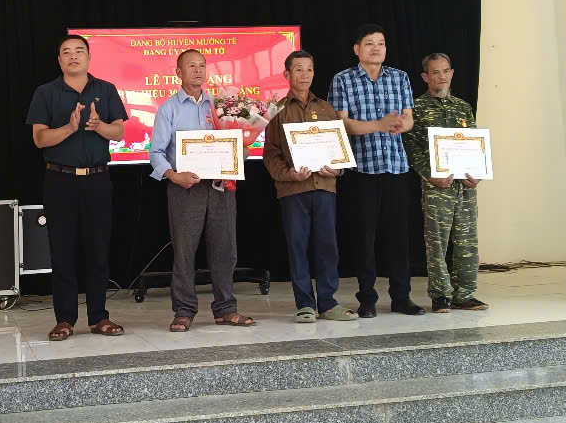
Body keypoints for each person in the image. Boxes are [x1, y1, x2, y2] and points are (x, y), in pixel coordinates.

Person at [26, 35, 128, 341]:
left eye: (79, 51)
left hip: (97, 180)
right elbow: (40, 139)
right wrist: (70, 128)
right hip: (60, 180)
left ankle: (99, 317)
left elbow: (119, 132)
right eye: (66, 52)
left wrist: (99, 126)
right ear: (59, 59)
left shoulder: (106, 89)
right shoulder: (45, 92)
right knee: (62, 250)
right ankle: (65, 319)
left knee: (98, 249)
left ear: (89, 57)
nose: (73, 56)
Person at [149, 49, 255, 332]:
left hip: (221, 187)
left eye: (202, 66)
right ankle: (184, 311)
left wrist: (240, 150)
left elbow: (235, 144)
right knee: (185, 251)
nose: (198, 71)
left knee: (225, 248)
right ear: (178, 73)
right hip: (185, 188)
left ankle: (225, 308)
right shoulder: (168, 108)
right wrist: (174, 175)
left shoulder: (222, 107)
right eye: (191, 66)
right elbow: (156, 153)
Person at [329, 24, 425, 318]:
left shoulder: (400, 77)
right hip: (362, 170)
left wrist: (401, 125)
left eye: (381, 43)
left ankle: (401, 297)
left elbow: (409, 118)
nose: (376, 48)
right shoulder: (343, 80)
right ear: (357, 49)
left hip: (396, 166)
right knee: (364, 237)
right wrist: (378, 125)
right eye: (369, 43)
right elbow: (342, 123)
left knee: (399, 237)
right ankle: (367, 299)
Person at [263, 50, 356, 323]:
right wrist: (288, 174)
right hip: (293, 190)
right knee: (298, 247)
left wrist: (338, 168)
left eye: (309, 69)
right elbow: (271, 153)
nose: (305, 75)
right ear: (287, 74)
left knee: (328, 246)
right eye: (298, 69)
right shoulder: (276, 109)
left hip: (325, 186)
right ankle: (305, 304)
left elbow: (339, 147)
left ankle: (328, 303)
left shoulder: (326, 108)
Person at [402, 53, 488, 313]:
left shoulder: (463, 107)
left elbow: (475, 143)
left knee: (467, 240)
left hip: (465, 185)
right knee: (437, 242)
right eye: (435, 72)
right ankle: (440, 295)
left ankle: (465, 294)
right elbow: (411, 147)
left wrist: (479, 173)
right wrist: (430, 175)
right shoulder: (416, 107)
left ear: (452, 73)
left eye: (445, 71)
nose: (441, 76)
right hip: (437, 186)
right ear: (425, 77)